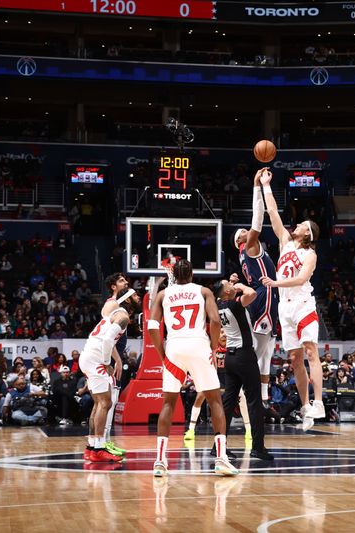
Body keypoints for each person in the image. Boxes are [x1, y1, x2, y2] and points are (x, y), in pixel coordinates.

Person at [148, 259, 239, 477]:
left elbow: (152, 326)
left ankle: (160, 461)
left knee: (168, 403)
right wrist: (214, 347)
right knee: (214, 399)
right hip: (198, 344)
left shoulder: (162, 295)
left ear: (174, 275)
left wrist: (163, 355)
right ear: (191, 274)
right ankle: (221, 459)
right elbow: (215, 321)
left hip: (174, 347)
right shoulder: (203, 291)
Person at [259, 168, 324, 431]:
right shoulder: (285, 241)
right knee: (295, 359)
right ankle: (306, 405)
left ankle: (319, 402)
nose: (297, 224)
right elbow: (273, 212)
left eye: (303, 225)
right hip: (284, 308)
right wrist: (265, 185)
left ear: (308, 233)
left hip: (302, 304)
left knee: (310, 351)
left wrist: (275, 283)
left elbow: (300, 279)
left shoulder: (310, 254)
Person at [233, 168, 281, 408]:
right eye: (243, 232)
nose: (246, 230)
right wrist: (257, 186)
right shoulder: (250, 246)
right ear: (240, 241)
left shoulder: (245, 257)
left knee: (267, 351)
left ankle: (261, 398)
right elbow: (258, 217)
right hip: (265, 296)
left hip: (261, 296)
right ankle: (246, 394)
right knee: (257, 352)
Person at [214, 279, 273, 460]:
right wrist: (241, 287)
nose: (232, 285)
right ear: (226, 293)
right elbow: (253, 294)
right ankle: (258, 447)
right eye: (228, 285)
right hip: (244, 356)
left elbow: (231, 295)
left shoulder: (218, 305)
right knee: (254, 402)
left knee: (228, 403)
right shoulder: (234, 304)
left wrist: (232, 287)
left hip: (230, 358)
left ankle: (216, 446)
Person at [79, 287, 139, 462]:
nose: (138, 297)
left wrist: (117, 361)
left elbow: (108, 340)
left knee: (99, 403)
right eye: (135, 295)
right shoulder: (123, 316)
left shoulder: (116, 314)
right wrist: (106, 364)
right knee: (105, 402)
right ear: (127, 300)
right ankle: (99, 449)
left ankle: (91, 447)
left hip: (89, 356)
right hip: (95, 359)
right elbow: (106, 340)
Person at [101, 272, 131, 456]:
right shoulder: (111, 304)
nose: (126, 282)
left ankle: (106, 441)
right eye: (121, 280)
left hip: (114, 355)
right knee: (107, 401)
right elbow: (105, 335)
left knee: (112, 400)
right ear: (113, 286)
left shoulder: (120, 303)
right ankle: (102, 442)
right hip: (110, 357)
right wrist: (116, 359)